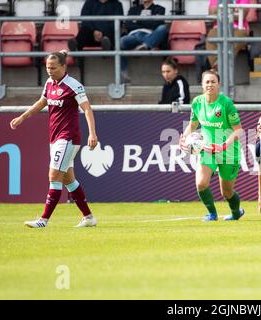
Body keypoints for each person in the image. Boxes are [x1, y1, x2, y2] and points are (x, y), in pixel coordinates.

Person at [10, 51, 99, 228]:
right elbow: (42, 102)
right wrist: (23, 117)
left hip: (68, 138)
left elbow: (87, 109)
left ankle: (43, 220)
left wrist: (92, 133)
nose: (49, 71)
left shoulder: (74, 86)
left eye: (53, 67)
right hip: (55, 137)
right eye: (47, 67)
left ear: (63, 66)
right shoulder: (49, 83)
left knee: (54, 176)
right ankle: (89, 217)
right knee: (68, 180)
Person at [179, 69, 244, 221]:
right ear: (202, 85)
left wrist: (223, 145)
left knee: (226, 192)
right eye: (207, 82)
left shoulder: (226, 104)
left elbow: (239, 131)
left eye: (213, 81)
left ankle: (236, 213)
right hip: (207, 149)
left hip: (228, 151)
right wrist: (185, 137)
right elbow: (193, 124)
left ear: (218, 84)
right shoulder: (197, 102)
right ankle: (212, 214)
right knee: (201, 183)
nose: (210, 84)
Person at [120, 0, 167, 83]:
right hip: (134, 36)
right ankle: (123, 74)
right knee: (121, 42)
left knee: (162, 28)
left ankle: (145, 45)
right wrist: (149, 21)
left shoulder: (160, 9)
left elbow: (158, 24)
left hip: (150, 35)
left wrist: (137, 21)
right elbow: (128, 25)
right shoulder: (133, 9)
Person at [205, 0, 250, 69]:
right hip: (218, 28)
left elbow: (242, 14)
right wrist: (232, 11)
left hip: (239, 29)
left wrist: (221, 11)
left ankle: (221, 64)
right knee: (210, 39)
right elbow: (211, 14)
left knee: (234, 40)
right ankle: (217, 65)